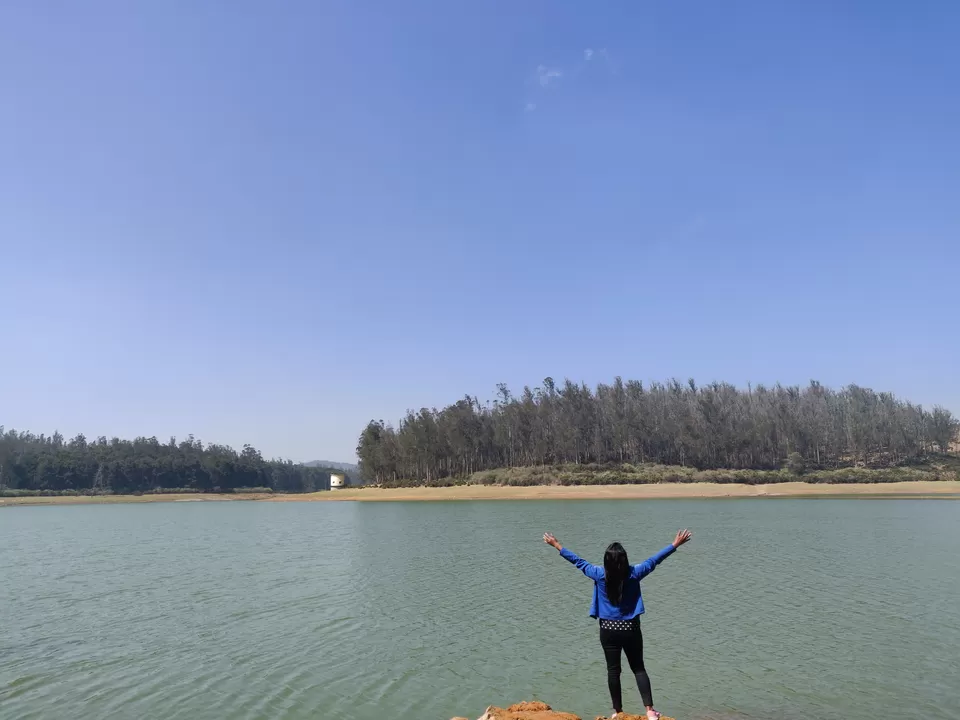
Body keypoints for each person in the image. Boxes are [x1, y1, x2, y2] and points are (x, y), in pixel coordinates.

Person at [542, 529, 693, 720]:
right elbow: (654, 560)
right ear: (625, 559)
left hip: (608, 630)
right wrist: (675, 545)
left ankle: (618, 712)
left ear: (606, 561)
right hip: (631, 629)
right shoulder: (634, 573)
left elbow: (578, 562)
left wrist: (557, 545)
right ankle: (650, 711)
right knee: (638, 668)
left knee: (613, 671)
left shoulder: (598, 574)